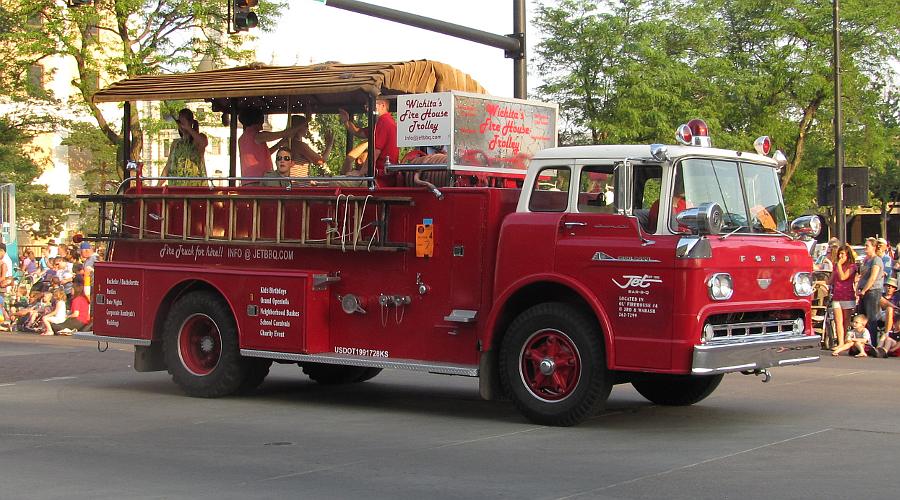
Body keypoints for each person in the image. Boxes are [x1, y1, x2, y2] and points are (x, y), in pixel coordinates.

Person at [339, 97, 400, 187]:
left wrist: (361, 173)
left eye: (370, 106)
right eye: (366, 106)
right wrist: (346, 121)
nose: (367, 109)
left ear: (382, 105)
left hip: (378, 180)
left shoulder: (384, 122)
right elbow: (358, 132)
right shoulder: (384, 122)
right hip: (382, 178)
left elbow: (375, 152)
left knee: (334, 183)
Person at [237, 106, 304, 184]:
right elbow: (284, 133)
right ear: (258, 120)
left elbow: (265, 153)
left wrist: (281, 143)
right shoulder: (257, 136)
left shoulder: (242, 138)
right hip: (260, 181)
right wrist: (304, 122)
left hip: (248, 181)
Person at [158, 109, 208, 186]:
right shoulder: (175, 143)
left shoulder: (198, 139)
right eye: (180, 122)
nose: (181, 125)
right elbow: (168, 166)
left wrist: (188, 128)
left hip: (195, 187)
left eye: (183, 122)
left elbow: (203, 143)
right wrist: (158, 185)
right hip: (175, 187)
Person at [857, 237, 885, 345]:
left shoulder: (876, 260)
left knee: (871, 317)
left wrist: (864, 290)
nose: (865, 248)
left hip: (872, 292)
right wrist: (858, 288)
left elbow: (873, 278)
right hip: (864, 291)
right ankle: (863, 342)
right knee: (862, 317)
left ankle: (872, 342)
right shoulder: (867, 261)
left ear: (874, 247)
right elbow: (862, 276)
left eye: (867, 246)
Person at [830, 244, 857, 346]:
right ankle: (840, 342)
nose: (840, 256)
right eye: (839, 254)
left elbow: (843, 277)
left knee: (846, 321)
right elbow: (831, 280)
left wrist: (839, 265)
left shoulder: (852, 266)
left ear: (847, 255)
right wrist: (819, 281)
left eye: (843, 254)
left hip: (848, 296)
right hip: (837, 296)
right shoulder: (836, 265)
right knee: (838, 321)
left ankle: (845, 342)